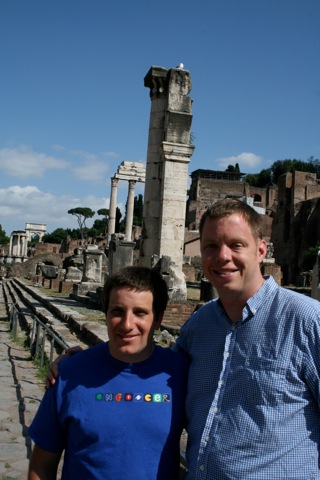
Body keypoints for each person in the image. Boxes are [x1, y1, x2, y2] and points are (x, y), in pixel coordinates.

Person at [175, 199, 320, 479]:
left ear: (261, 251)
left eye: (236, 245)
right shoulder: (198, 326)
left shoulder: (307, 320)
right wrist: (74, 366)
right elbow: (154, 375)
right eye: (211, 246)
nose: (222, 256)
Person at [28, 266, 189, 480]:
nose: (127, 324)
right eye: (117, 311)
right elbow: (41, 466)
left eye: (140, 313)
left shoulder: (180, 373)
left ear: (158, 319)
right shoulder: (68, 374)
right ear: (105, 314)